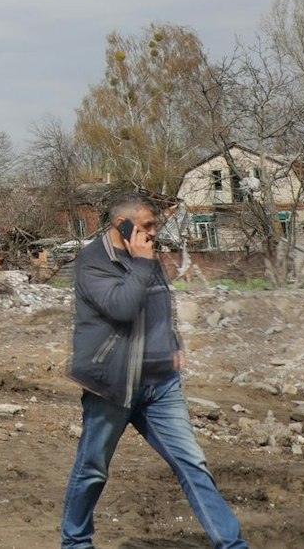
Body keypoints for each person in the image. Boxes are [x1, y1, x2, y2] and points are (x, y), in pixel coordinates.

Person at [61, 197, 250, 549]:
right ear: (121, 224)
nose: (154, 232)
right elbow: (121, 307)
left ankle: (232, 545)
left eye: (154, 225)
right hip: (113, 384)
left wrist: (173, 344)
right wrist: (142, 263)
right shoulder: (93, 261)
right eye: (147, 225)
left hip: (161, 384)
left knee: (192, 464)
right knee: (92, 469)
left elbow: (161, 304)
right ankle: (76, 543)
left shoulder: (146, 256)